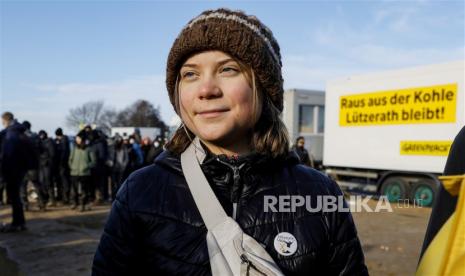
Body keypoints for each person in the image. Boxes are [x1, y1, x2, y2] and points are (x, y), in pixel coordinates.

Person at [93, 8, 367, 275]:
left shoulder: (320, 193)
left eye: (227, 69)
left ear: (263, 85)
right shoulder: (140, 192)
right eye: (190, 74)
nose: (206, 89)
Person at [0, 112, 34, 232]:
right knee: (16, 197)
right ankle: (20, 223)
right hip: (21, 169)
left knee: (14, 197)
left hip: (12, 169)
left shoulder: (10, 133)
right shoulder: (20, 131)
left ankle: (17, 223)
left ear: (5, 120)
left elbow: (8, 154)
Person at [20, 121, 45, 211]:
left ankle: (25, 205)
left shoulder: (21, 137)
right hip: (34, 165)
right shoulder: (36, 137)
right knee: (37, 185)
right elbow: (42, 150)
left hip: (23, 165)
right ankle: (42, 204)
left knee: (23, 186)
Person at [69, 135, 96, 212]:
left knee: (85, 190)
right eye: (76, 138)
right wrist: (72, 167)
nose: (77, 140)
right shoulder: (74, 149)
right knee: (74, 190)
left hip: (85, 173)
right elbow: (70, 159)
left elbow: (93, 161)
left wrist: (86, 166)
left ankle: (84, 204)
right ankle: (75, 203)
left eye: (78, 138)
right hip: (74, 173)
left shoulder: (88, 149)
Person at [38, 130, 56, 207]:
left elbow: (52, 154)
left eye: (42, 135)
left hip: (47, 165)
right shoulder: (40, 142)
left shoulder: (49, 142)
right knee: (42, 182)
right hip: (41, 165)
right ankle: (45, 199)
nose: (41, 136)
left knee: (48, 182)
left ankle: (52, 199)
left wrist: (47, 160)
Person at [53, 127, 71, 204]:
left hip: (63, 165)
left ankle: (65, 198)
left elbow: (63, 154)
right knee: (63, 181)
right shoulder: (66, 140)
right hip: (63, 165)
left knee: (64, 181)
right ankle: (64, 197)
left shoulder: (62, 142)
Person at [110, 135, 128, 201]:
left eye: (120, 140)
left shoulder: (124, 148)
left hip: (121, 168)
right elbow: (110, 157)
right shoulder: (112, 148)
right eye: (117, 140)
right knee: (113, 183)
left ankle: (119, 196)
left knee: (119, 183)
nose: (118, 141)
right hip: (113, 168)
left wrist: (123, 166)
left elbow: (126, 158)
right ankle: (113, 197)